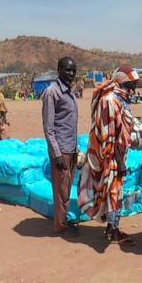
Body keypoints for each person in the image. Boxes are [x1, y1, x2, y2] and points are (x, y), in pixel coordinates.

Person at [78, 65, 142, 244]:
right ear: (125, 82)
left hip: (118, 154)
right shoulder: (109, 100)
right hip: (109, 155)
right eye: (133, 83)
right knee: (112, 191)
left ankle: (112, 228)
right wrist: (118, 160)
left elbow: (122, 127)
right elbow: (110, 134)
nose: (135, 88)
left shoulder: (121, 98)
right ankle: (112, 230)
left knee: (115, 191)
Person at [42, 57, 79, 236]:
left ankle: (63, 220)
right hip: (61, 150)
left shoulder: (69, 92)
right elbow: (49, 128)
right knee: (60, 189)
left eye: (73, 70)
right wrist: (56, 154)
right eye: (67, 70)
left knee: (67, 187)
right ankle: (60, 225)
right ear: (58, 70)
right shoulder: (52, 92)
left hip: (71, 148)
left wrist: (76, 148)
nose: (71, 74)